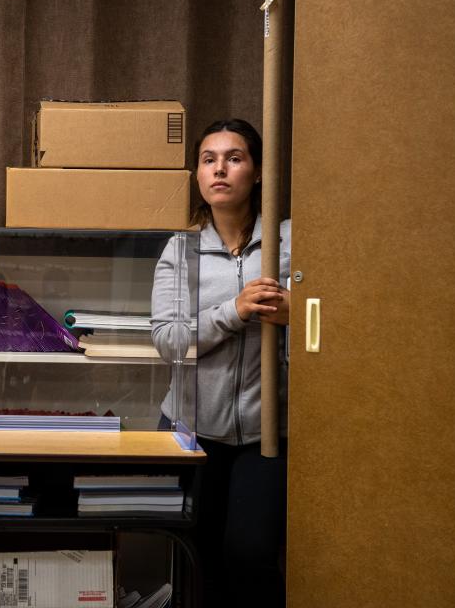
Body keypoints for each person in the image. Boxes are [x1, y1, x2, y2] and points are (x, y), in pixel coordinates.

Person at [151, 118, 291, 607]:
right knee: (199, 555)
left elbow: (332, 320)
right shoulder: (180, 251)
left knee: (251, 553)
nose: (220, 169)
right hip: (191, 429)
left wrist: (293, 311)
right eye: (208, 160)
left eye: (235, 158)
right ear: (197, 175)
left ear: (256, 173)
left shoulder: (291, 242)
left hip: (268, 432)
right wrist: (234, 312)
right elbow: (168, 341)